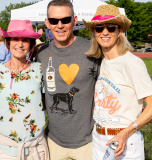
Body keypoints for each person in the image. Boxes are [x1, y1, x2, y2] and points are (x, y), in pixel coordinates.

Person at [83, 4, 152, 159]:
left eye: (111, 28)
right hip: (98, 138)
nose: (105, 32)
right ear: (94, 32)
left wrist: (126, 132)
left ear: (120, 31)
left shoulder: (131, 63)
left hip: (125, 141)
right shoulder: (100, 62)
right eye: (99, 28)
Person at [37, 0, 100, 159]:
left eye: (65, 20)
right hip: (54, 140)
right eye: (54, 20)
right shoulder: (41, 53)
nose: (60, 25)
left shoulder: (92, 50)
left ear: (74, 20)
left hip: (87, 141)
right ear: (47, 23)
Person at [0, 20, 49, 160]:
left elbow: (46, 102)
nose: (20, 44)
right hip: (4, 151)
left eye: (25, 40)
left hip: (35, 150)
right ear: (7, 42)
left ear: (32, 44)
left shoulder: (39, 70)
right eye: (15, 39)